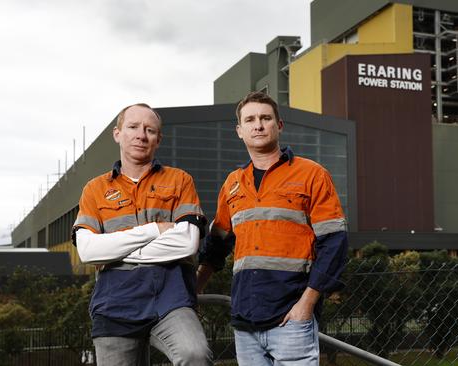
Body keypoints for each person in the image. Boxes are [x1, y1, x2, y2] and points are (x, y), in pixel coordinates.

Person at [197, 92, 348, 365]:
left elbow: (334, 243)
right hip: (245, 321)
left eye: (266, 118)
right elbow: (216, 245)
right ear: (239, 131)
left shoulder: (311, 174)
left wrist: (307, 304)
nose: (258, 125)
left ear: (279, 125)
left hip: (291, 317)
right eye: (250, 120)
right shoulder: (233, 183)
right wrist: (194, 290)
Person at [72, 103, 213, 366]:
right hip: (114, 305)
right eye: (133, 127)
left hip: (171, 298)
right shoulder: (95, 189)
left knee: (195, 354)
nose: (141, 135)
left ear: (158, 139)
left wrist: (116, 250)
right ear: (117, 134)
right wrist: (154, 230)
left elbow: (186, 243)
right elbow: (88, 251)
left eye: (150, 130)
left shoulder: (179, 180)